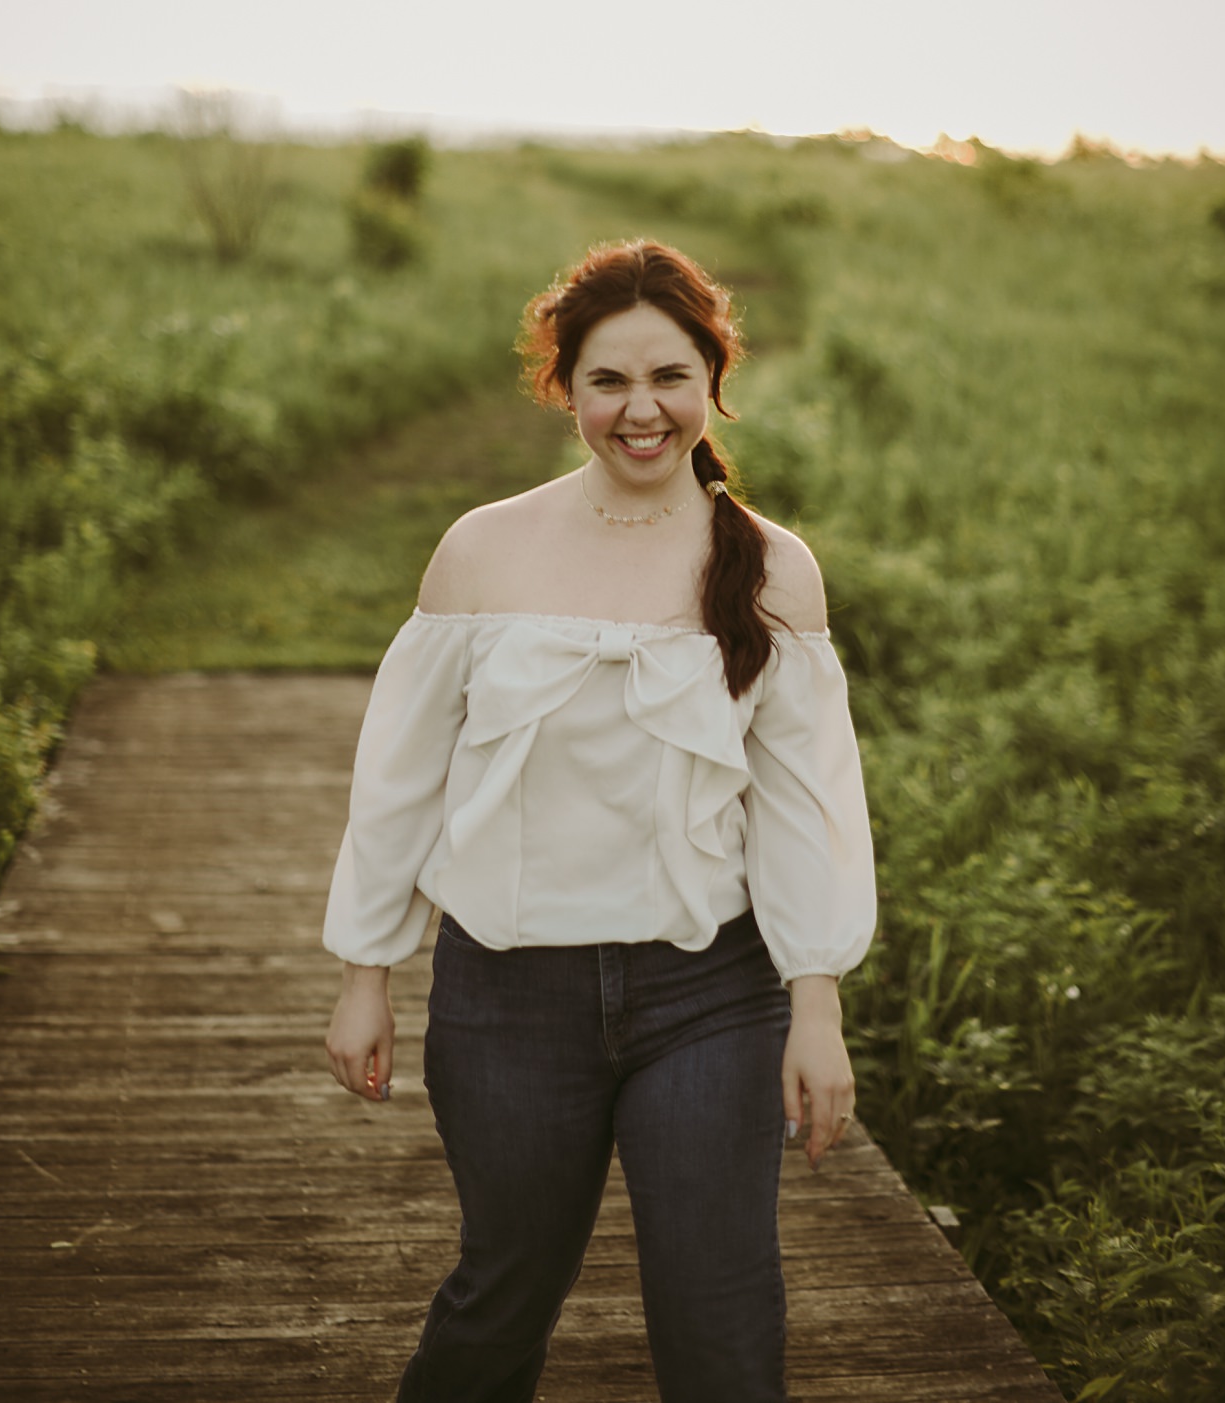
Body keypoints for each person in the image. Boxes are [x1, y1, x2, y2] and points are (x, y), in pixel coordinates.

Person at [323, 238, 876, 1403]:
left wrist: (813, 1004)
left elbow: (804, 803)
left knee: (721, 1320)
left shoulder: (771, 570)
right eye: (608, 381)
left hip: (709, 995)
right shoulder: (483, 551)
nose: (641, 411)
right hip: (506, 995)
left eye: (670, 377)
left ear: (712, 383)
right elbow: (400, 778)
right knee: (500, 1295)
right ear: (563, 388)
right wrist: (366, 965)